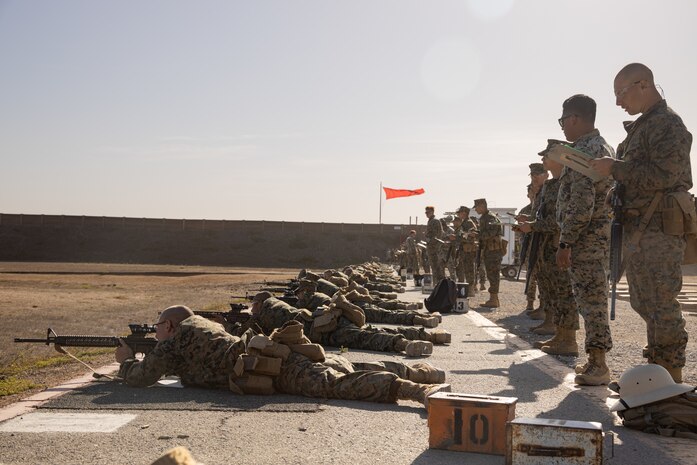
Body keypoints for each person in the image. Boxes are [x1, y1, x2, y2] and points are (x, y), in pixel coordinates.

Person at [116, 305, 451, 407]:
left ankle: (415, 390)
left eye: (158, 326)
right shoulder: (199, 327)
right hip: (275, 359)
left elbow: (140, 378)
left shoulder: (175, 340)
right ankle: (417, 370)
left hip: (274, 368)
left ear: (171, 325)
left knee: (335, 385)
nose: (155, 331)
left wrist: (126, 360)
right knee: (334, 367)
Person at [590, 63, 692, 383]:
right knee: (645, 301)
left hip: (659, 229)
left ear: (643, 84)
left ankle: (672, 381)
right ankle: (658, 375)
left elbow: (666, 175)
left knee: (661, 303)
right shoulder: (642, 127)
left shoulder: (667, 123)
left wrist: (616, 170)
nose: (619, 102)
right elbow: (638, 177)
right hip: (640, 229)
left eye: (621, 93)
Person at [555, 94, 614, 386]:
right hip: (594, 238)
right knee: (592, 299)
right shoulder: (598, 146)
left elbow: (581, 203)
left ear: (574, 118)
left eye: (563, 120)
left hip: (586, 240)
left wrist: (566, 242)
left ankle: (599, 364)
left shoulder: (584, 151)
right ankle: (595, 360)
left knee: (592, 301)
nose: (563, 127)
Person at [518, 147, 578, 355]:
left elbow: (560, 221)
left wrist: (533, 226)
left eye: (547, 156)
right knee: (553, 292)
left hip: (558, 246)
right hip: (545, 247)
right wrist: (531, 223)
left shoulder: (567, 183)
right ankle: (558, 333)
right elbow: (545, 216)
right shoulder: (551, 186)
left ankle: (569, 340)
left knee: (564, 293)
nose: (543, 159)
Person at [473, 198, 505, 308]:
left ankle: (494, 299)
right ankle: (493, 299)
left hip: (493, 251)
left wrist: (477, 235)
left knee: (494, 274)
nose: (476, 209)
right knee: (491, 274)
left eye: (477, 207)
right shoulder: (484, 218)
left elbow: (491, 233)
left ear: (482, 205)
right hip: (488, 250)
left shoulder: (491, 217)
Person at [454, 206, 479, 297]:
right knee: (466, 269)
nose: (458, 214)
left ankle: (471, 289)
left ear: (464, 213)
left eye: (460, 212)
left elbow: (470, 237)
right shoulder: (464, 223)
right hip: (464, 250)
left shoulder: (468, 223)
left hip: (468, 250)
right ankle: (469, 289)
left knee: (469, 270)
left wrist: (456, 237)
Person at [425, 206, 445, 282]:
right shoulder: (430, 221)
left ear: (432, 212)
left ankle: (439, 284)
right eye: (426, 212)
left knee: (437, 267)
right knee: (433, 267)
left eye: (428, 212)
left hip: (435, 248)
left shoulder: (435, 221)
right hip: (431, 248)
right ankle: (436, 284)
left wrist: (432, 243)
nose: (426, 214)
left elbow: (439, 234)